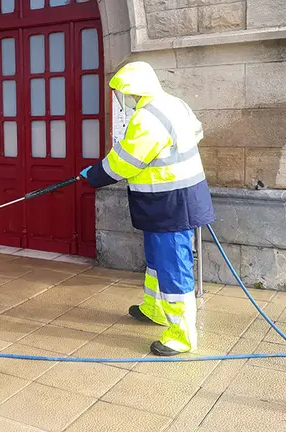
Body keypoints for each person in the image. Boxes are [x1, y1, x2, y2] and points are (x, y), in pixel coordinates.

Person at [79, 61, 215, 357]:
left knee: (172, 265)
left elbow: (124, 162)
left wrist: (93, 176)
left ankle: (181, 335)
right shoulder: (175, 104)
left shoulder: (147, 118)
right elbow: (196, 132)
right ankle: (154, 308)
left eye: (123, 94)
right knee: (157, 261)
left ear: (133, 91)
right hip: (173, 199)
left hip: (170, 202)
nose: (122, 100)